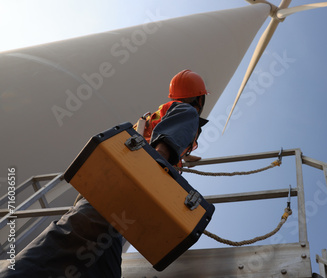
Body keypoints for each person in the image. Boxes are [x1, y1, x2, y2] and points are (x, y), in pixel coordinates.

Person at [0, 69, 209, 278]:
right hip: (126, 187)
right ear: (199, 98)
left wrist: (181, 158)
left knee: (102, 265)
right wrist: (151, 184)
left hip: (116, 190)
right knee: (71, 238)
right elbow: (161, 150)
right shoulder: (187, 112)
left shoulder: (160, 114)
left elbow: (159, 140)